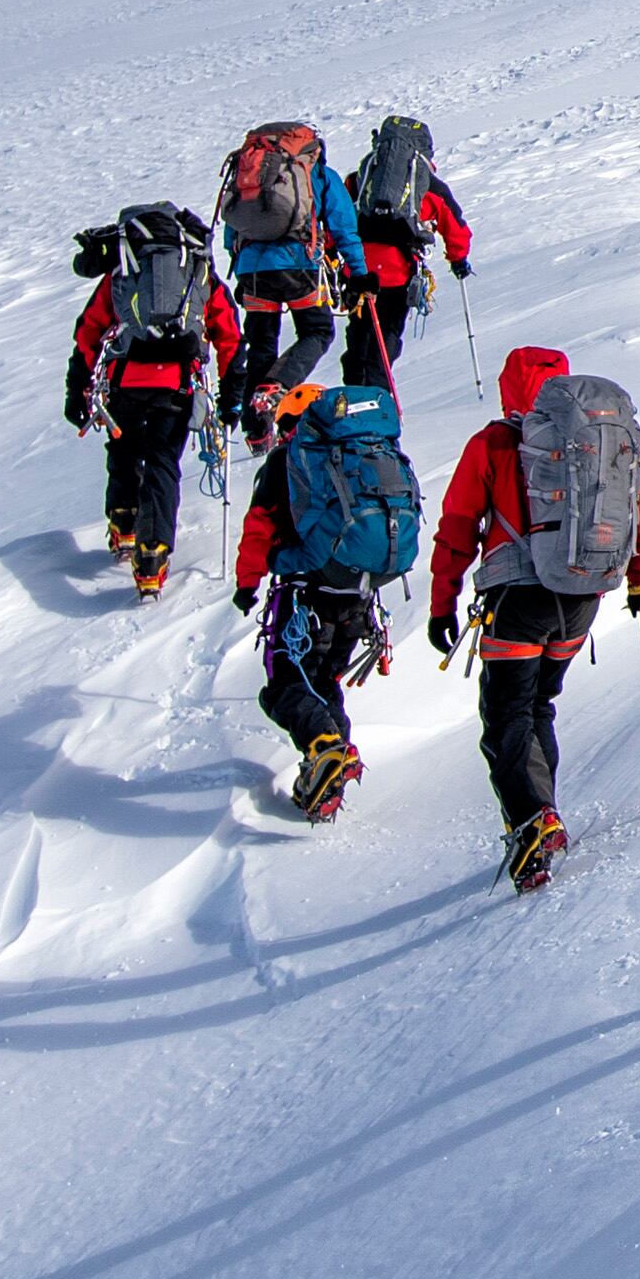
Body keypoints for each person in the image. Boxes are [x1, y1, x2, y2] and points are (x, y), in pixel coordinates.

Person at [422, 343, 640, 893]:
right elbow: (639, 511)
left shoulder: (493, 443)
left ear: (510, 386)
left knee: (507, 714)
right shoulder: (594, 441)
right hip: (581, 598)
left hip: (517, 599)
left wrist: (442, 604)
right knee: (539, 706)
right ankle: (540, 816)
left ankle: (533, 820)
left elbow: (457, 525)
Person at [228, 378, 421, 820]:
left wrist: (247, 583)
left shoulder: (289, 461)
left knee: (285, 686)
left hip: (303, 594)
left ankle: (326, 748)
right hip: (358, 595)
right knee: (325, 682)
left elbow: (259, 526)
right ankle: (329, 767)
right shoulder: (369, 455)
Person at [64, 203, 239, 602]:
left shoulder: (124, 272)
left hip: (124, 380)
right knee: (162, 461)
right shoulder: (198, 272)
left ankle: (124, 521)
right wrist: (232, 394)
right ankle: (152, 552)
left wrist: (78, 387)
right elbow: (227, 333)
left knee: (124, 447)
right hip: (176, 384)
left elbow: (89, 331)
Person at [213, 121, 366, 435]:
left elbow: (232, 231)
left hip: (252, 270)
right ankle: (275, 387)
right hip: (298, 265)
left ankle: (256, 431)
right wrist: (360, 274)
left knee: (261, 344)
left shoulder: (250, 178)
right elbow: (343, 228)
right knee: (317, 331)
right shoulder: (317, 174)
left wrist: (242, 264)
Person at [341, 115, 475, 389]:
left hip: (358, 269)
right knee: (387, 333)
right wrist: (458, 259)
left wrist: (334, 253)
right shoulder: (427, 184)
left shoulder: (362, 177)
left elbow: (338, 219)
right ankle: (379, 395)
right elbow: (455, 226)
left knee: (359, 335)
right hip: (398, 272)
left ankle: (352, 394)